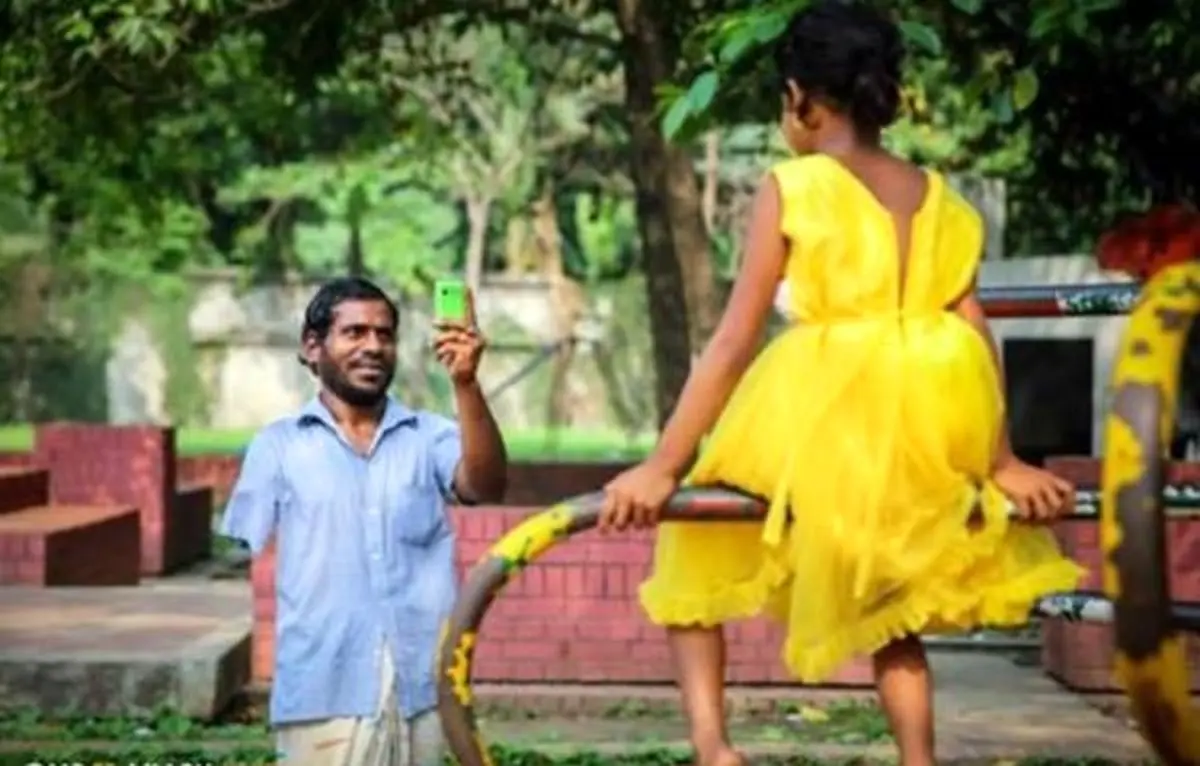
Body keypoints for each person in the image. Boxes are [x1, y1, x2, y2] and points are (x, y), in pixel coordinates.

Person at [596, 3, 1085, 765]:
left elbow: (732, 341)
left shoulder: (796, 184)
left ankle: (713, 746)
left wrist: (662, 466)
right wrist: (1001, 461)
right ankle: (918, 760)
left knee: (693, 530)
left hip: (824, 402)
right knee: (891, 603)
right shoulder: (939, 194)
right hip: (931, 413)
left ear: (799, 96)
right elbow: (976, 333)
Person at [219, 276, 507, 766]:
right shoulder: (279, 446)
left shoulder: (428, 436)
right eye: (354, 333)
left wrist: (465, 383)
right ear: (313, 347)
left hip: (422, 688)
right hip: (324, 688)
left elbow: (485, 486)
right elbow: (238, 552)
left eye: (384, 334)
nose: (373, 346)